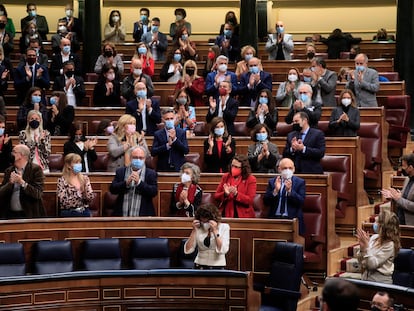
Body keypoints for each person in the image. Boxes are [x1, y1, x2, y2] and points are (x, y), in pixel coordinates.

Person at [109, 146, 157, 216]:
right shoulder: (121, 171)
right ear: (130, 158)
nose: (138, 160)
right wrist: (125, 183)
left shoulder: (150, 173)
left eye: (141, 158)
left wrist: (139, 183)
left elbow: (153, 192)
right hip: (122, 214)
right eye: (135, 157)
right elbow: (112, 189)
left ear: (145, 159)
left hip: (144, 215)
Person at [0, 144, 45, 219]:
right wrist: (10, 183)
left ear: (21, 155)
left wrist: (22, 182)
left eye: (14, 152)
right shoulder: (9, 171)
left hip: (29, 215)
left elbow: (38, 194)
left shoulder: (35, 170)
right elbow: (1, 192)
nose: (11, 154)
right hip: (10, 215)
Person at [356, 209, 401, 284]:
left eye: (377, 222)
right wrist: (362, 248)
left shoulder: (390, 245)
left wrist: (366, 248)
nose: (374, 224)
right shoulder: (374, 238)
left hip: (380, 283)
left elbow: (372, 265)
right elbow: (362, 262)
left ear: (384, 226)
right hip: (365, 279)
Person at [263, 157, 305, 235]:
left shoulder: (300, 182)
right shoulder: (273, 182)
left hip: (292, 219)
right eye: (285, 168)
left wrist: (290, 191)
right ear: (279, 169)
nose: (288, 170)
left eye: (290, 168)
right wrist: (276, 190)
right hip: (275, 218)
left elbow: (301, 202)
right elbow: (266, 202)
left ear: (294, 169)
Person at [184, 203, 230, 269]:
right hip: (200, 265)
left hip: (217, 266)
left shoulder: (224, 227)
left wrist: (215, 231)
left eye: (207, 222)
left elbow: (223, 249)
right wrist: (194, 231)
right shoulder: (198, 228)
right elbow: (188, 250)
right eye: (202, 222)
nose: (205, 224)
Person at [381, 153, 414, 225]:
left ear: (410, 167)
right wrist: (394, 195)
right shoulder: (407, 179)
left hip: (411, 224)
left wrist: (398, 199)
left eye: (404, 166)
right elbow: (405, 197)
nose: (402, 168)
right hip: (400, 220)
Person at [19, 109, 51, 174]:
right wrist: (36, 142)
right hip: (27, 166)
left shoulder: (46, 133)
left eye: (37, 119)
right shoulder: (23, 134)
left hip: (42, 166)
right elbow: (24, 153)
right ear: (28, 120)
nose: (34, 121)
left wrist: (42, 141)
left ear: (40, 120)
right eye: (32, 119)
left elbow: (47, 153)